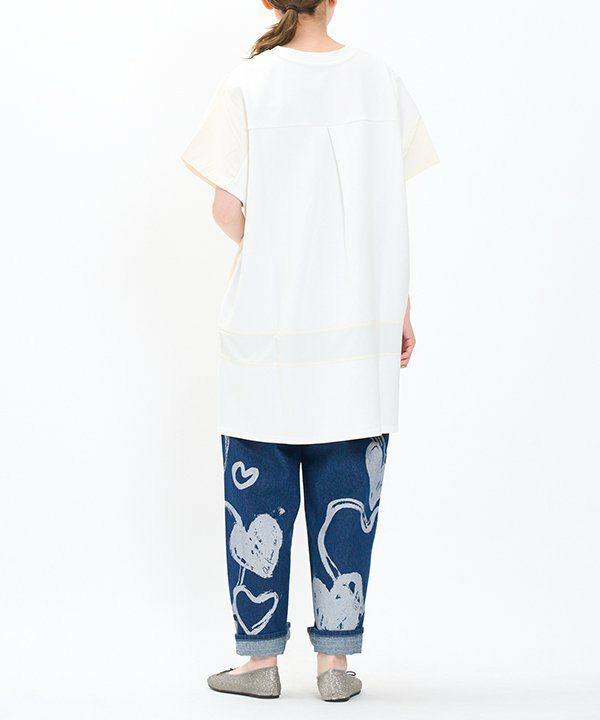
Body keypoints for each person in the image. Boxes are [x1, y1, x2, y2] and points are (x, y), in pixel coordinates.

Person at [181, 0, 438, 702]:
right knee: (347, 493)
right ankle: (335, 666)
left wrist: (277, 246)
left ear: (269, 1)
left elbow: (226, 210)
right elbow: (390, 212)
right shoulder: (380, 80)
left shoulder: (248, 83)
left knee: (257, 493)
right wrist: (398, 308)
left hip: (268, 327)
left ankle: (258, 660)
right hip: (358, 328)